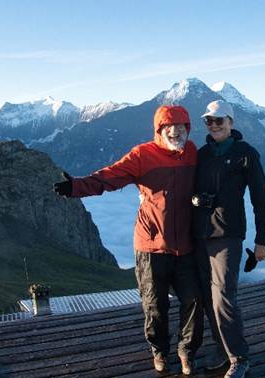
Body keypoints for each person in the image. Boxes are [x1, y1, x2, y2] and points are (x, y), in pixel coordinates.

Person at [53, 105, 202, 375]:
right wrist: (76, 187)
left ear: (188, 128)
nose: (176, 130)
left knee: (194, 301)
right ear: (160, 129)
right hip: (151, 246)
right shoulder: (143, 155)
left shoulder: (192, 152)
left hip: (186, 246)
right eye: (170, 126)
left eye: (181, 126)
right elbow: (111, 176)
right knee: (155, 306)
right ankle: (159, 353)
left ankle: (186, 352)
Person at [192, 100, 265, 378]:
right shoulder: (201, 155)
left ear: (231, 122)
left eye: (219, 120)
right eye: (209, 121)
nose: (214, 125)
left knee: (223, 295)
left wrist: (261, 241)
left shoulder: (246, 154)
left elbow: (261, 198)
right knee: (206, 296)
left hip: (228, 234)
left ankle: (239, 357)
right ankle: (221, 349)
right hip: (200, 233)